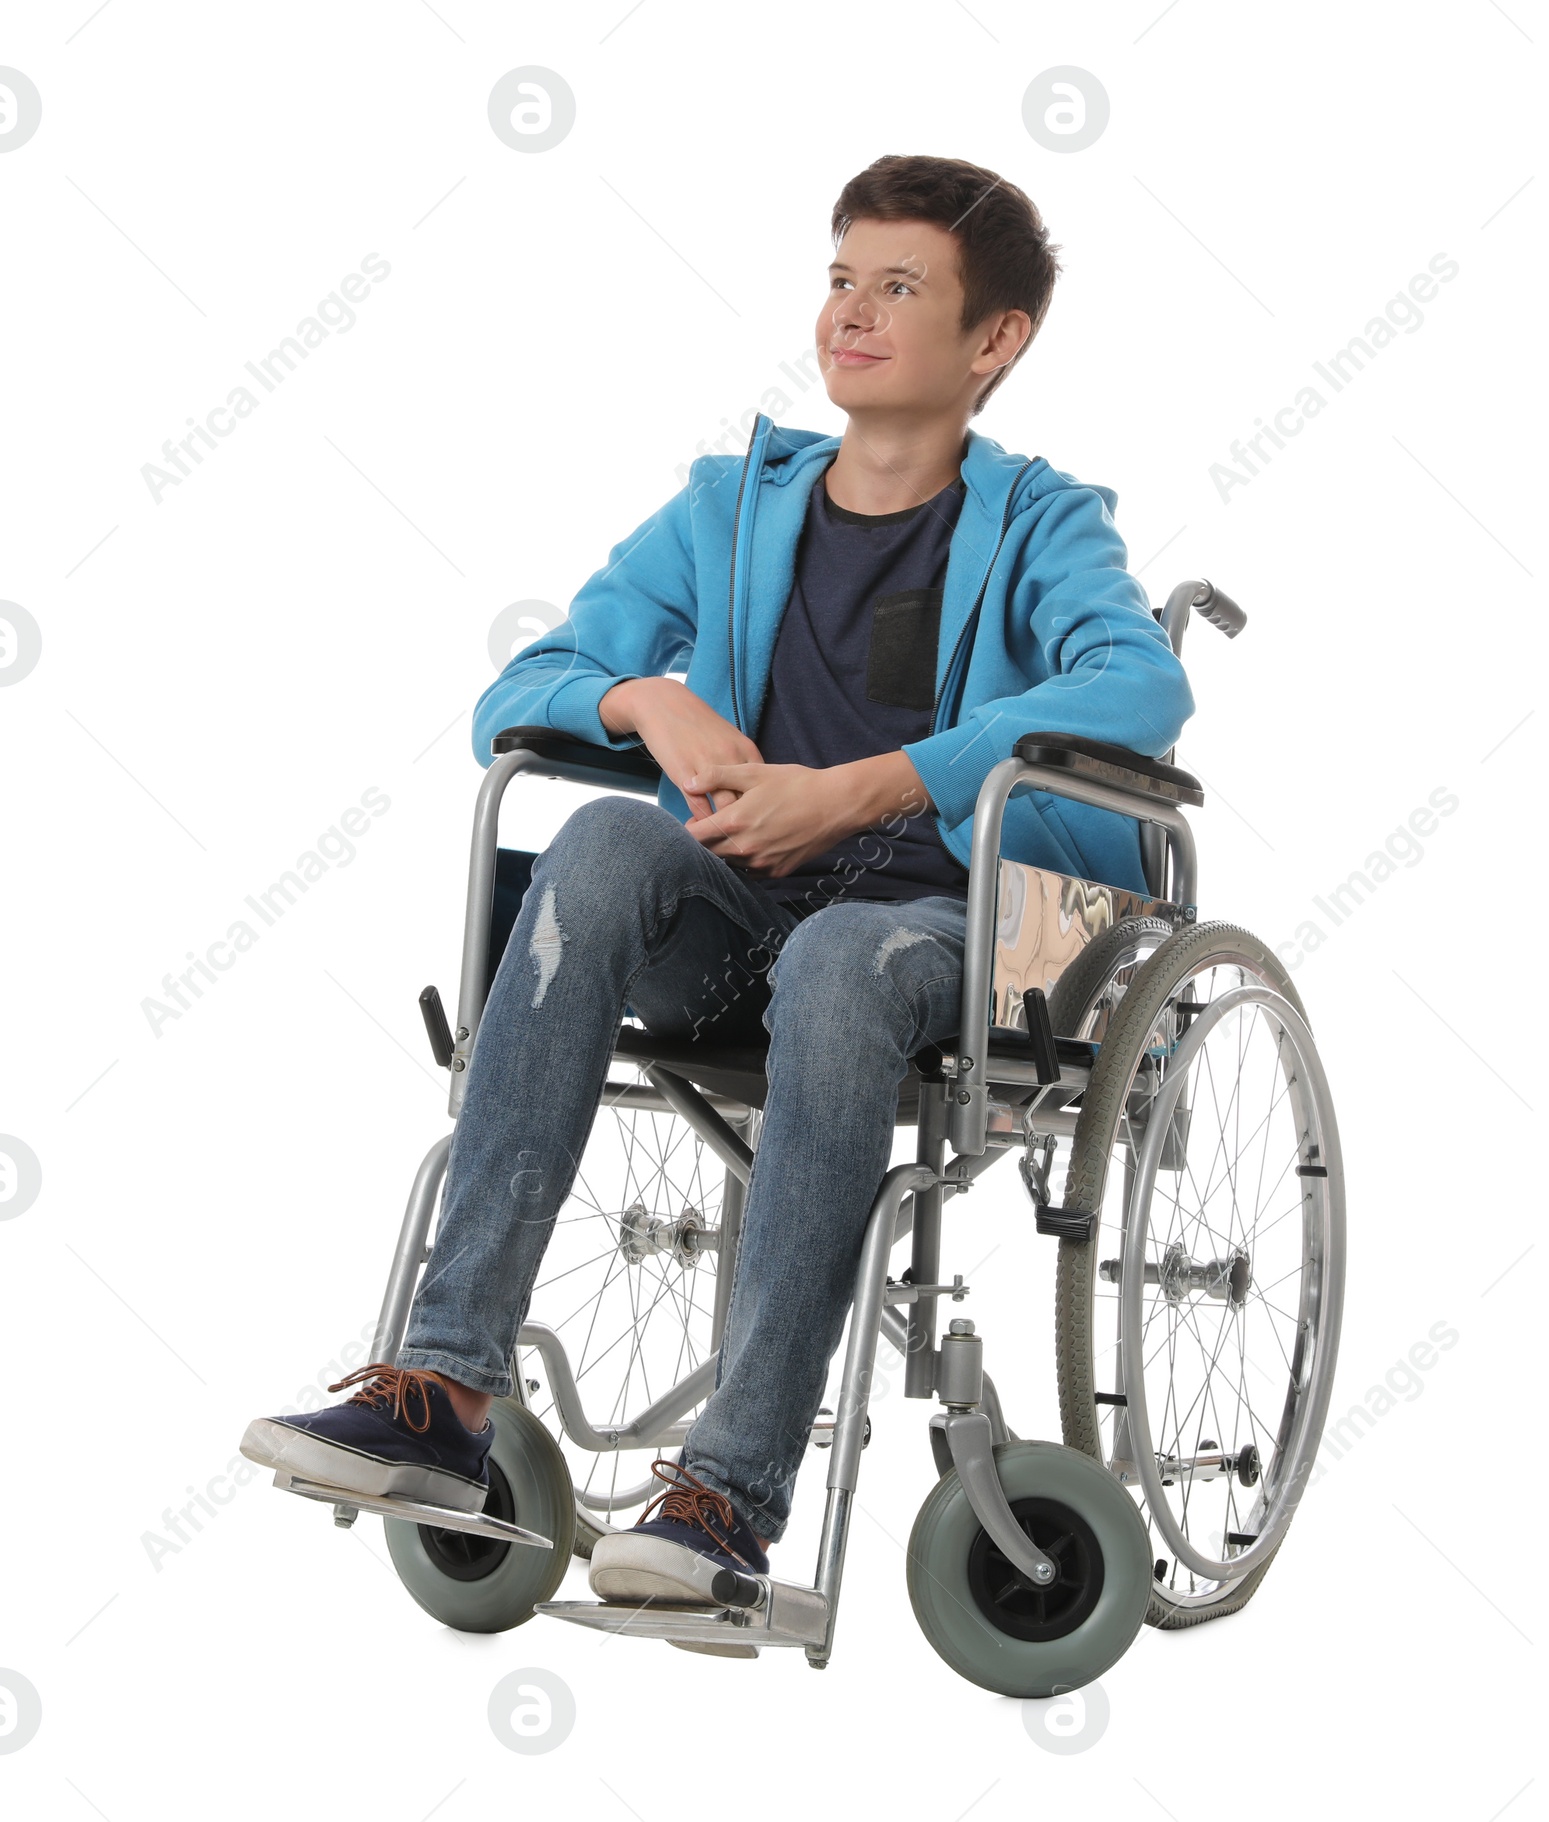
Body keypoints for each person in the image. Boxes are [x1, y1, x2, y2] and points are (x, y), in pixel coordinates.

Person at [241, 152, 1194, 1602]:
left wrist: (871, 788)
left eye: (898, 287)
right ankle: (439, 1392)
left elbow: (1139, 688)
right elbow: (530, 679)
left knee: (841, 956)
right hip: (742, 919)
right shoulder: (730, 506)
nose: (850, 313)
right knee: (603, 835)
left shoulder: (1045, 523)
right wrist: (649, 705)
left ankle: (730, 1498)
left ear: (994, 339)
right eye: (839, 279)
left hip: (941, 933)